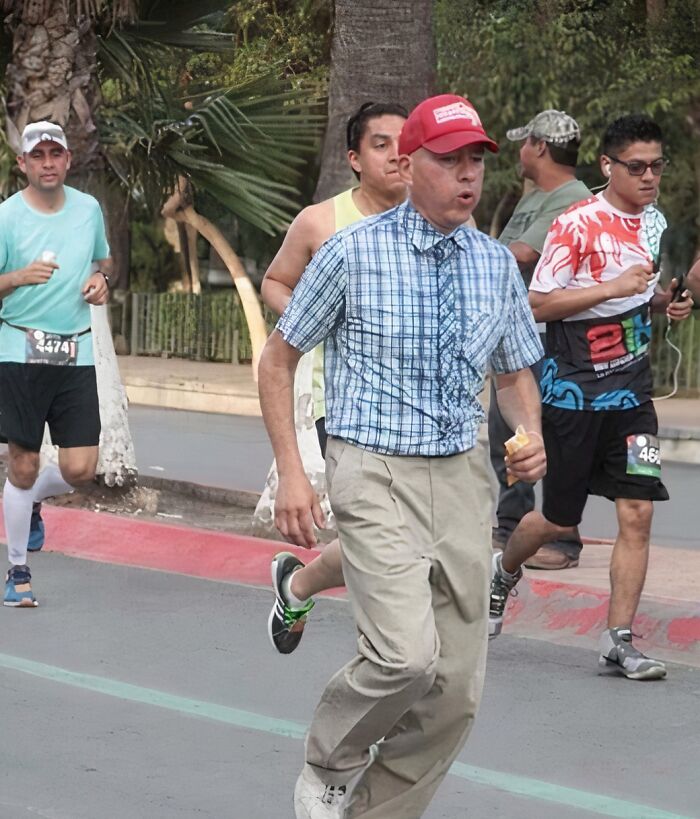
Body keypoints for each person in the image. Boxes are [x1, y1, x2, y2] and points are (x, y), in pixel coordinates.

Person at [258, 94, 546, 819]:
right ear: (409, 165)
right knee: (404, 656)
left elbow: (513, 372)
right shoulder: (351, 252)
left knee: (455, 689)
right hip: (372, 465)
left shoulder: (493, 265)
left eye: (476, 160)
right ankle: (329, 759)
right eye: (451, 160)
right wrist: (294, 470)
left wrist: (528, 430)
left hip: (461, 477)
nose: (468, 175)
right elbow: (279, 357)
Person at [489, 114, 694, 681]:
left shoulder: (656, 222)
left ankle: (620, 640)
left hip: (634, 398)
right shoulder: (577, 223)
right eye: (637, 167)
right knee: (555, 521)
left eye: (657, 165)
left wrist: (664, 304)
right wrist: (614, 288)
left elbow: (637, 293)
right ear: (608, 166)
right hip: (574, 396)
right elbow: (536, 304)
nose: (649, 176)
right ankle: (502, 572)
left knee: (638, 512)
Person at [260, 101, 408, 653]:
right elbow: (276, 282)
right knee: (382, 545)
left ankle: (296, 584)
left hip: (428, 419)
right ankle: (389, 668)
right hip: (345, 408)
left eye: (405, 142)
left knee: (391, 544)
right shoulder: (322, 222)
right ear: (354, 158)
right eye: (381, 143)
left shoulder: (437, 221)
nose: (398, 154)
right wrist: (315, 316)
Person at [0, 121, 111, 607]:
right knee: (22, 465)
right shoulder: (6, 217)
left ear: (68, 160)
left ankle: (34, 499)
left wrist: (101, 281)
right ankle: (18, 571)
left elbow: (104, 263)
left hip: (76, 350)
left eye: (56, 154)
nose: (48, 162)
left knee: (81, 469)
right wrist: (19, 277)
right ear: (22, 163)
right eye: (37, 155)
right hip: (18, 349)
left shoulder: (88, 210)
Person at [491, 109, 590, 569]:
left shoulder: (571, 199)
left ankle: (562, 538)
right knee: (508, 434)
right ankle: (513, 529)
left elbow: (521, 255)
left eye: (523, 142)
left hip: (554, 337)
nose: (519, 151)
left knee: (550, 436)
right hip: (521, 332)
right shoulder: (538, 197)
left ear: (540, 147)